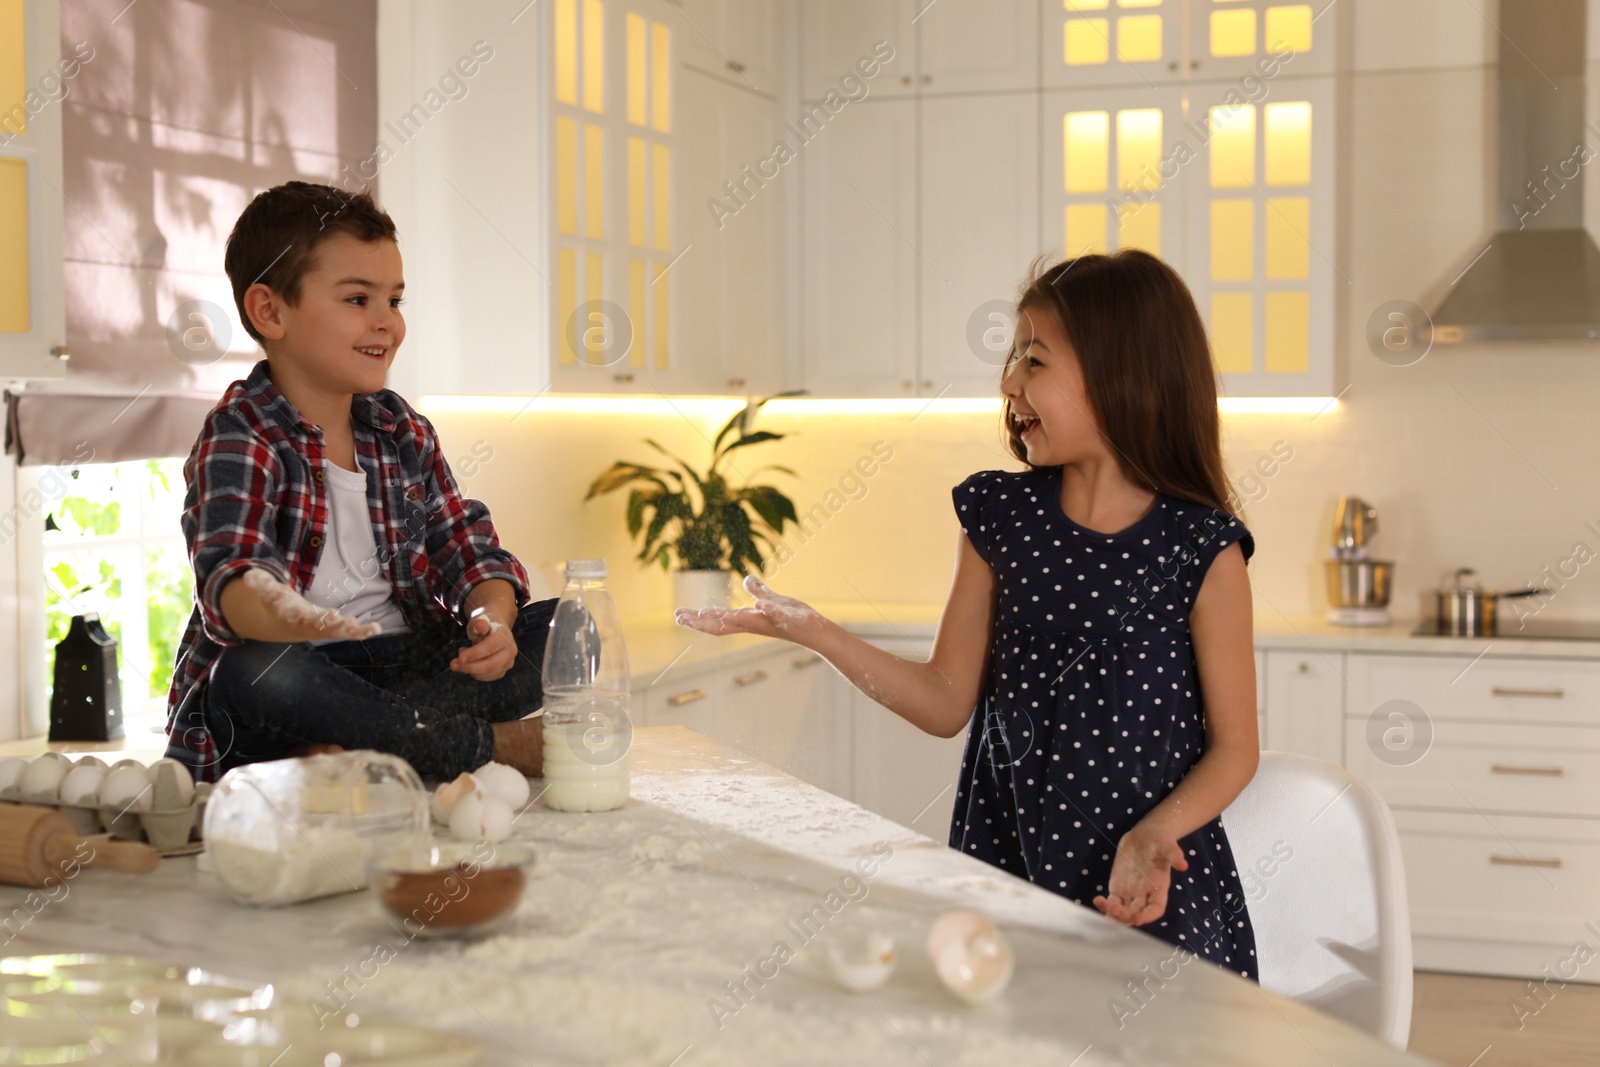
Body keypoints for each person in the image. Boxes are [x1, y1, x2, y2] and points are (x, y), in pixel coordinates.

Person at [676, 251, 1261, 979]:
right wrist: (815, 632)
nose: (1010, 382)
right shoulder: (1000, 515)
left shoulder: (1200, 546)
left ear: (1123, 373)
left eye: (1035, 359)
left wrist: (1155, 834)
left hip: (1149, 885)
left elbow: (1236, 747)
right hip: (1009, 870)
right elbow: (946, 700)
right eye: (1014, 357)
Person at [164, 181, 550, 783]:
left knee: (567, 624)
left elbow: (470, 552)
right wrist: (308, 621)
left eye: (394, 301)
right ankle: (488, 747)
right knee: (257, 675)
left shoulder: (402, 430)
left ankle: (375, 745)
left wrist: (493, 622)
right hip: (302, 675)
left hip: (402, 671)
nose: (386, 325)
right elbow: (234, 587)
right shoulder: (241, 434)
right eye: (357, 300)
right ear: (270, 311)